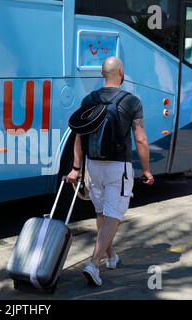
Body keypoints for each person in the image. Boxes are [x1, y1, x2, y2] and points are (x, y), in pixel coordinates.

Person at [66, 56, 154, 287]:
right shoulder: (132, 101)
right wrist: (146, 169)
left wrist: (76, 168)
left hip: (93, 166)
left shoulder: (89, 99)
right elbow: (141, 139)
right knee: (114, 215)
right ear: (121, 72)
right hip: (118, 167)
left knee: (102, 215)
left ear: (103, 74)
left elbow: (78, 137)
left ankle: (111, 257)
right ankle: (94, 264)